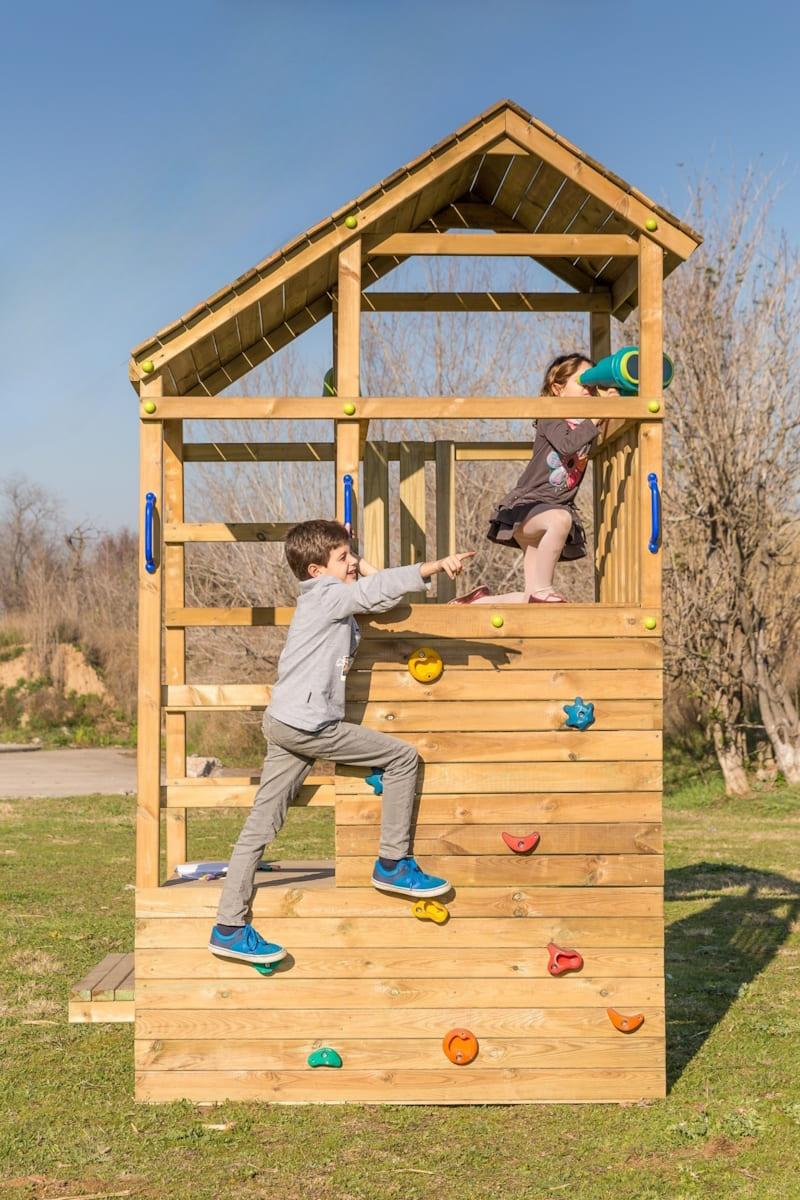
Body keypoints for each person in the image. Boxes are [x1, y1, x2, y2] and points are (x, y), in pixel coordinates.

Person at [209, 519, 474, 966]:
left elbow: (379, 592)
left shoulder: (324, 594)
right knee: (402, 758)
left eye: (351, 555)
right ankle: (392, 863)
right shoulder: (328, 596)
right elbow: (377, 591)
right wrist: (433, 567)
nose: (352, 563)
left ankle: (229, 926)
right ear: (316, 571)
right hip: (310, 725)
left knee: (262, 824)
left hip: (286, 722)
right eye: (343, 558)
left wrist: (349, 551)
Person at [450, 353, 611, 605]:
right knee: (560, 520)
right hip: (529, 507)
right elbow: (568, 444)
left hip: (548, 510)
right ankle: (545, 589)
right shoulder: (550, 415)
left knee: (530, 597)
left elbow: (596, 425)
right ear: (558, 388)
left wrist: (612, 398)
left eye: (593, 386)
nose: (589, 390)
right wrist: (593, 420)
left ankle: (476, 603)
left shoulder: (587, 424)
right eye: (583, 383)